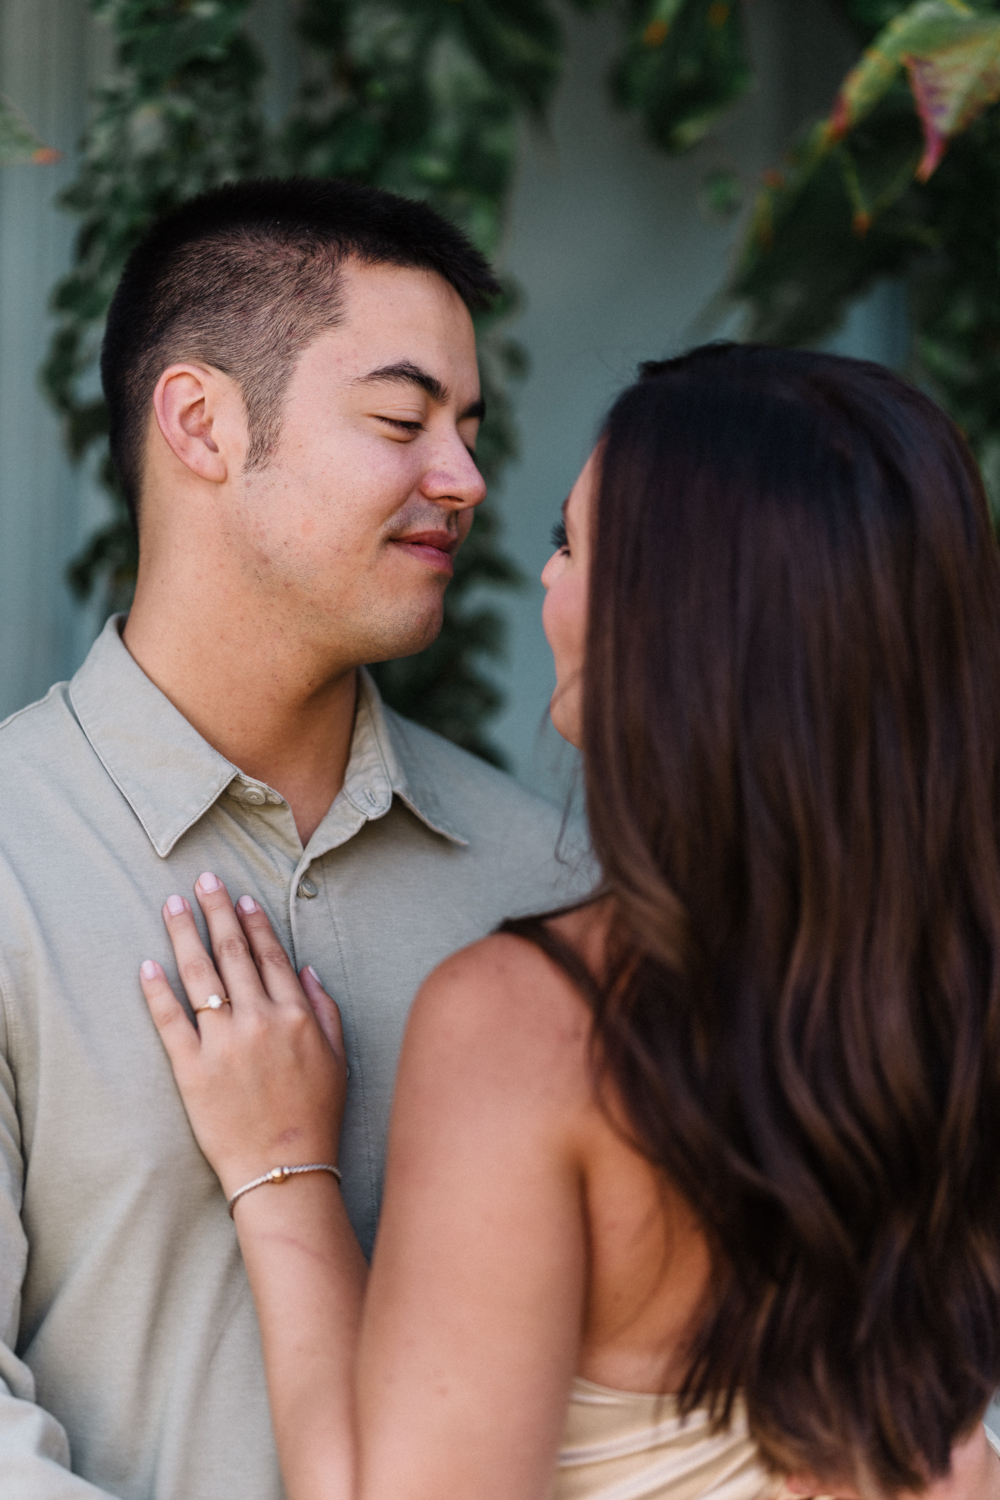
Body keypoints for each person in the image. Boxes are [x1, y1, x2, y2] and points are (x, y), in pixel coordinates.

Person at [144, 344, 1000, 1500]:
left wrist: (283, 1172)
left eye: (571, 543)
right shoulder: (955, 1000)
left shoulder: (542, 1025)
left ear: (677, 621)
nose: (546, 580)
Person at [0, 179, 589, 1500]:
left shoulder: (546, 882)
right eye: (401, 419)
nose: (466, 480)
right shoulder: (9, 857)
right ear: (201, 423)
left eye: (470, 427)